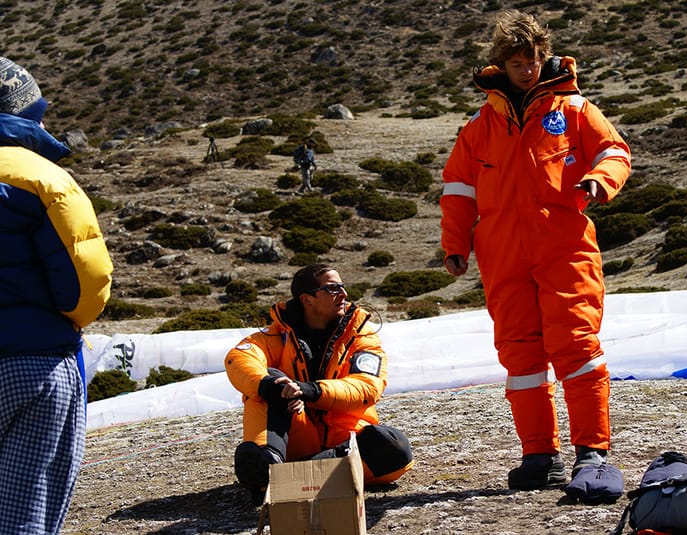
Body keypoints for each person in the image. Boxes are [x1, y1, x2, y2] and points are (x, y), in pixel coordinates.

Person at [439, 10, 631, 504]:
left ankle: (592, 453)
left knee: (576, 345)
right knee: (520, 355)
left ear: (545, 58)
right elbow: (458, 189)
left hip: (564, 246)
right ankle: (540, 456)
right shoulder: (479, 126)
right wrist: (455, 244)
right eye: (517, 63)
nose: (527, 70)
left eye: (533, 60)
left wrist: (600, 180)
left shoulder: (574, 109)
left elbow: (614, 151)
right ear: (501, 65)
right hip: (502, 254)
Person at [0, 57, 113, 533]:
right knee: (24, 511)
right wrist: (73, 318)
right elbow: (86, 279)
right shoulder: (40, 176)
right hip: (33, 361)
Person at [224, 263, 414, 505]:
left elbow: (367, 387)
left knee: (394, 448)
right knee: (269, 381)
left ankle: (280, 477)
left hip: (346, 440)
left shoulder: (361, 336)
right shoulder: (276, 336)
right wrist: (274, 386)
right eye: (333, 289)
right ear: (307, 299)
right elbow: (239, 358)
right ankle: (271, 463)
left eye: (342, 287)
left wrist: (309, 391)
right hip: (293, 438)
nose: (344, 294)